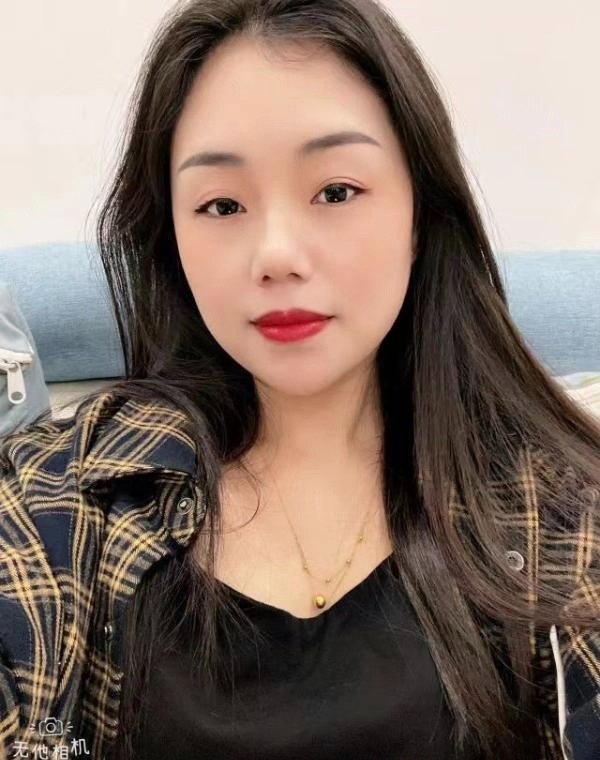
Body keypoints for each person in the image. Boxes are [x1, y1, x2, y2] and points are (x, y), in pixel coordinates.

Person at [1, 1, 599, 759]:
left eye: (336, 191)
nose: (276, 254)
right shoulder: (61, 498)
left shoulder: (563, 513)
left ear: (420, 211)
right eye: (222, 204)